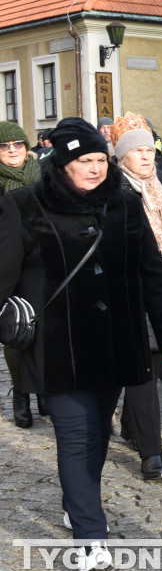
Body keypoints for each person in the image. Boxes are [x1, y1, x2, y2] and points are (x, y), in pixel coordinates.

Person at [0, 117, 162, 571]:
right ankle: (90, 537)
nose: (96, 168)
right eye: (85, 160)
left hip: (117, 339)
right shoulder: (22, 205)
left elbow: (153, 272)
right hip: (57, 343)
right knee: (77, 435)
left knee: (98, 432)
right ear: (62, 164)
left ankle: (76, 503)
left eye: (101, 158)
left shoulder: (124, 203)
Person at [108, 112, 162, 479]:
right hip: (125, 288)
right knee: (141, 370)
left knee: (151, 366)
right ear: (121, 155)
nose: (145, 155)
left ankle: (133, 429)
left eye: (148, 148)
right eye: (135, 150)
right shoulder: (112, 191)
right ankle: (152, 453)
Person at [0, 120, 47, 428]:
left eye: (17, 144)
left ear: (27, 148)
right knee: (16, 329)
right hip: (6, 260)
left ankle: (44, 389)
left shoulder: (43, 176)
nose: (12, 150)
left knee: (44, 328)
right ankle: (20, 394)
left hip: (40, 261)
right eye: (5, 147)